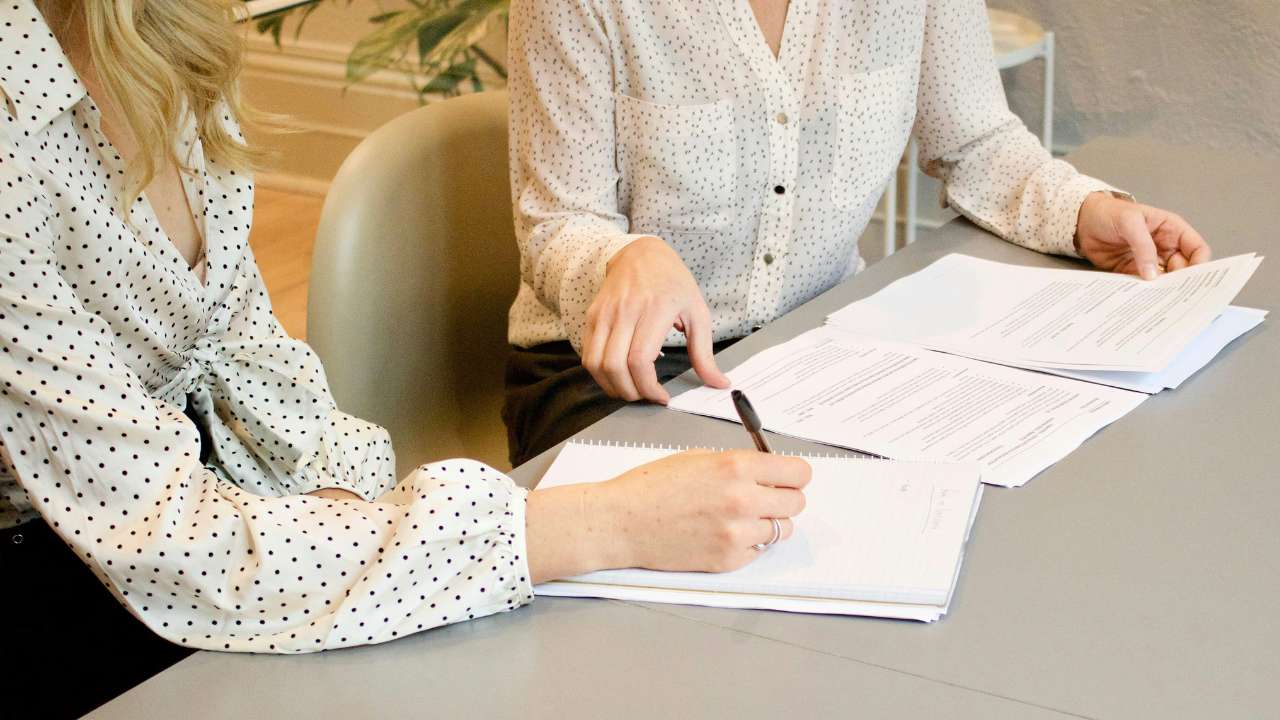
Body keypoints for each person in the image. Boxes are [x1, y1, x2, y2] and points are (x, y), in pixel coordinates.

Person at [0, 1, 809, 717]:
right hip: (72, 571)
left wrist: (348, 506)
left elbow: (247, 360)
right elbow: (171, 541)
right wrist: (605, 524)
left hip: (204, 513)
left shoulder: (164, 40)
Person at [502, 0, 1213, 466]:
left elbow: (975, 141)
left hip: (815, 351)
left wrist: (1085, 211)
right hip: (612, 374)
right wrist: (624, 258)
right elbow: (558, 222)